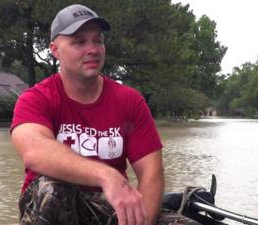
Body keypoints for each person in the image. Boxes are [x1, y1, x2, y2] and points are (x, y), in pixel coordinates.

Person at [11, 4, 200, 225]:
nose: (93, 49)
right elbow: (35, 151)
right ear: (55, 50)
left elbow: (151, 175)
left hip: (107, 209)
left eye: (98, 40)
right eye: (80, 41)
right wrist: (106, 175)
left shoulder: (130, 101)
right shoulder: (35, 99)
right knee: (53, 190)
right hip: (52, 209)